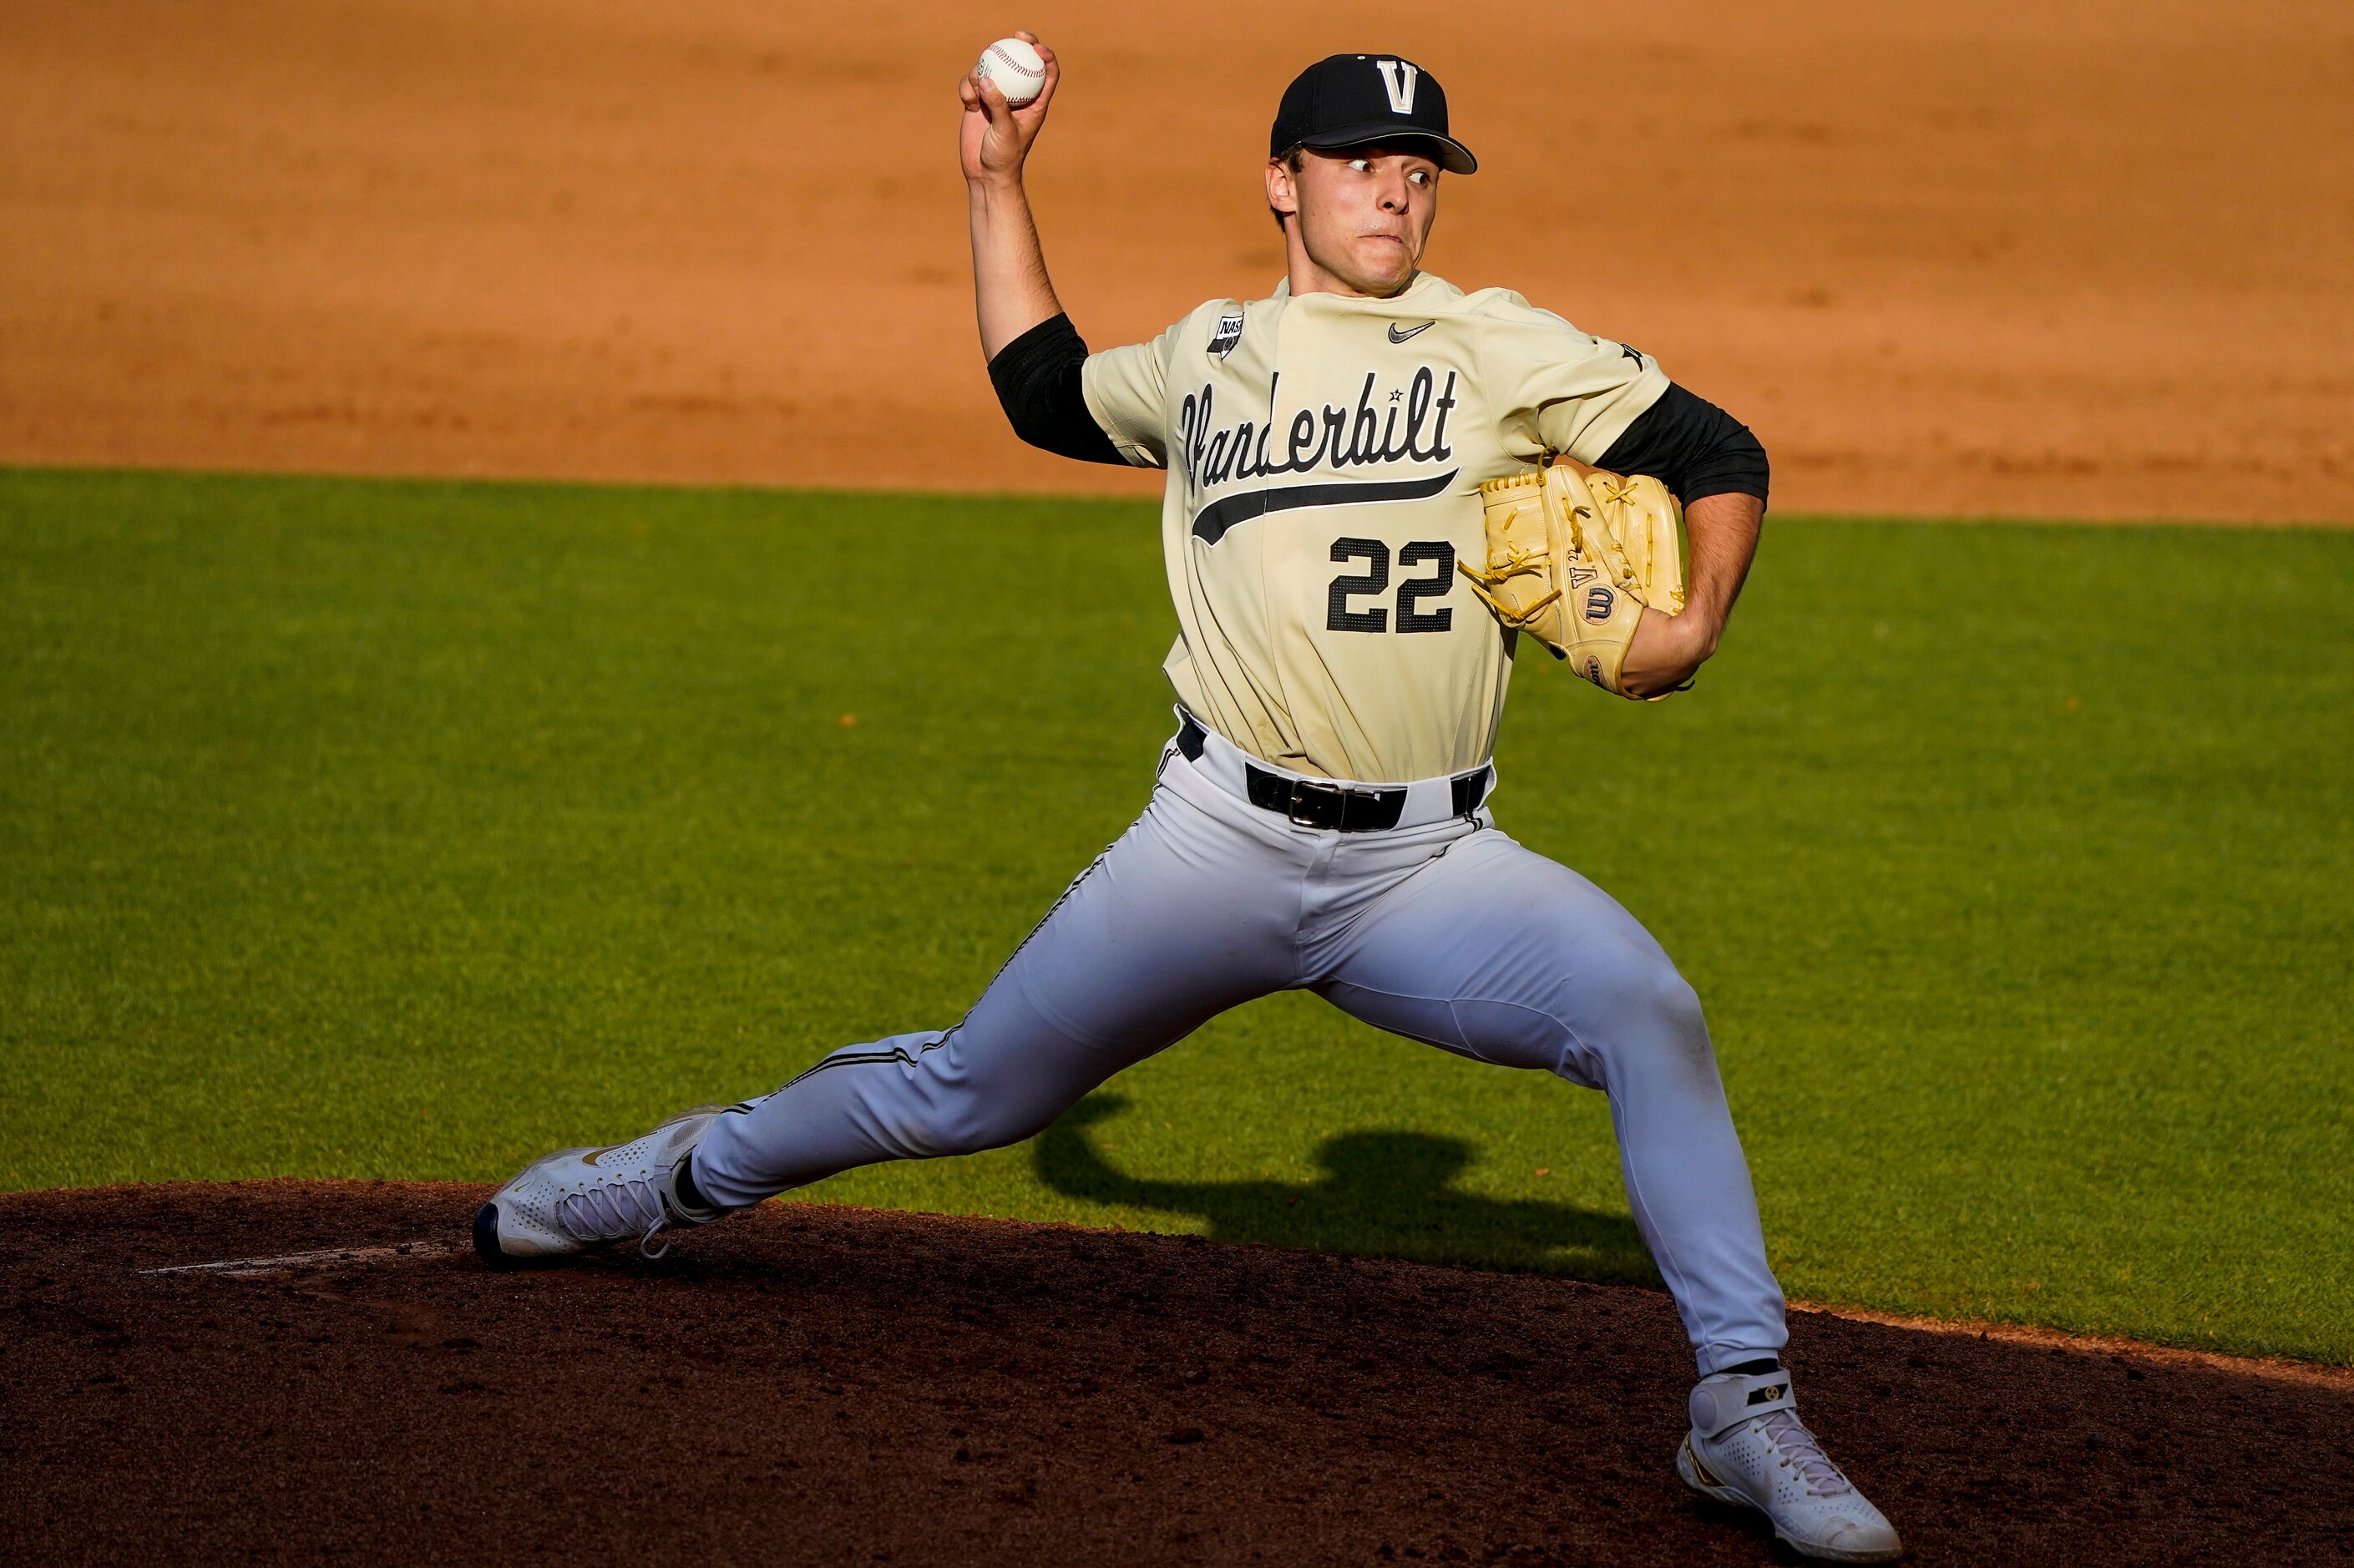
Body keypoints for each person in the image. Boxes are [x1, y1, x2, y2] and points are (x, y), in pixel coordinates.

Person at [473, 42, 1901, 1563]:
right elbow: (1040, 390)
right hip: (1211, 846)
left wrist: (1692, 624)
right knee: (968, 1091)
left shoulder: (1499, 348)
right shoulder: (1208, 354)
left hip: (1432, 865)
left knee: (1649, 1010)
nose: (1395, 193)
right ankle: (669, 1177)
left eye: (1419, 171)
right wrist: (995, 182)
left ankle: (1742, 1410)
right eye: (1360, 163)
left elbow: (1715, 449)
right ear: (1281, 182)